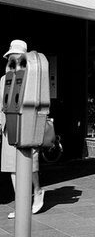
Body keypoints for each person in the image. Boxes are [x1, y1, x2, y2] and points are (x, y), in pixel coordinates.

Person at [0, 40, 44, 219]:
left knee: (30, 165)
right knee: (12, 167)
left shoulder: (33, 76)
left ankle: (37, 190)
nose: (14, 60)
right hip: (9, 127)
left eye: (17, 57)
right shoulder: (4, 79)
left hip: (28, 126)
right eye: (11, 57)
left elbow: (40, 103)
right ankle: (21, 204)